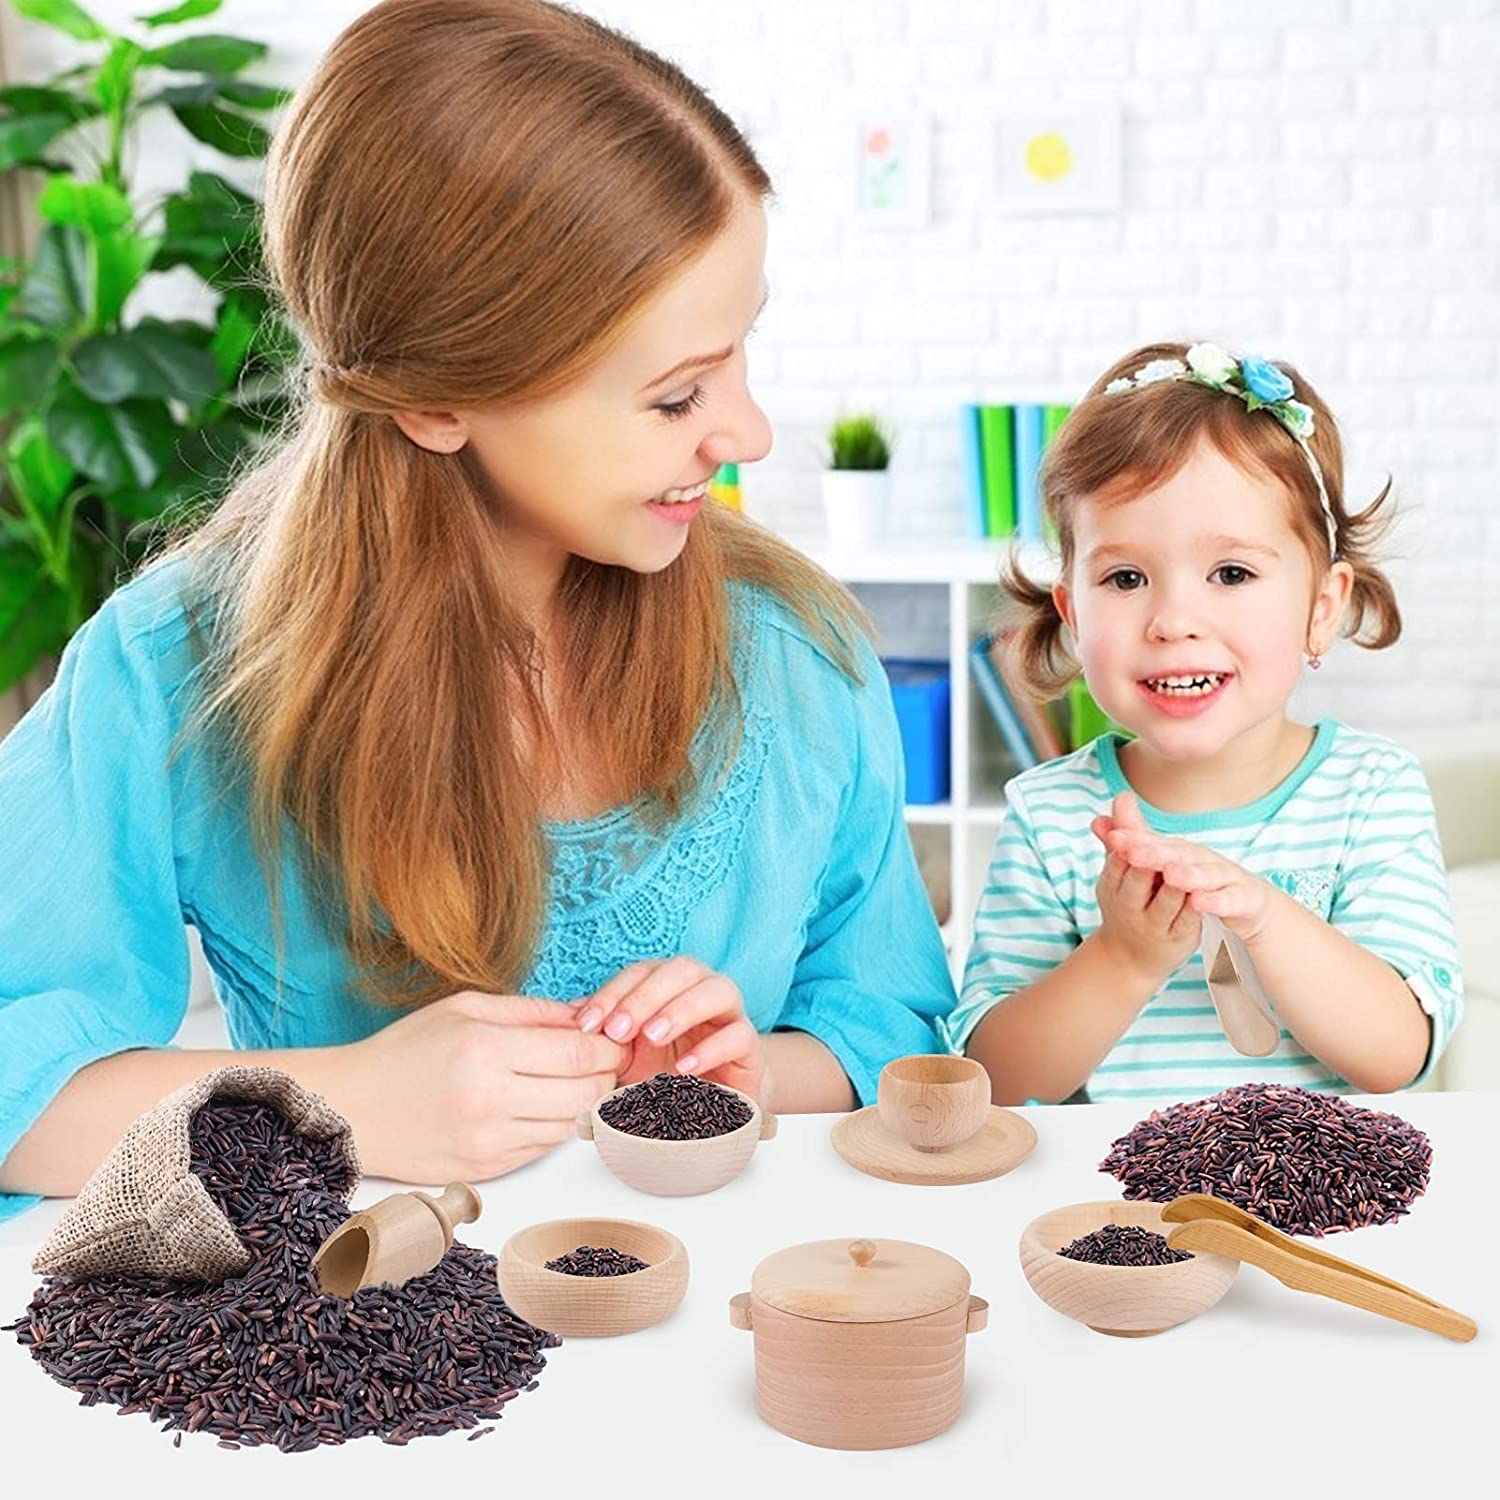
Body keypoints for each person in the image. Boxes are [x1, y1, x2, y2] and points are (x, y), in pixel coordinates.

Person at [0, 0, 955, 1220]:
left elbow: (888, 1031)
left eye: (740, 353)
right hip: (355, 1366)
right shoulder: (177, 670)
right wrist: (337, 1096)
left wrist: (744, 1076)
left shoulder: (798, 657)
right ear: (439, 403)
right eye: (675, 398)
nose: (749, 434)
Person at [949, 340, 1463, 1106]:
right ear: (1073, 616)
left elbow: (1399, 1053)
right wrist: (1124, 958)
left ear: (1321, 610)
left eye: (1232, 573)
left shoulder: (1370, 793)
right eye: (1125, 578)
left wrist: (1264, 916)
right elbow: (996, 1080)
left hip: (1313, 1212)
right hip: (1107, 1207)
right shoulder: (1052, 814)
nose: (1174, 620)